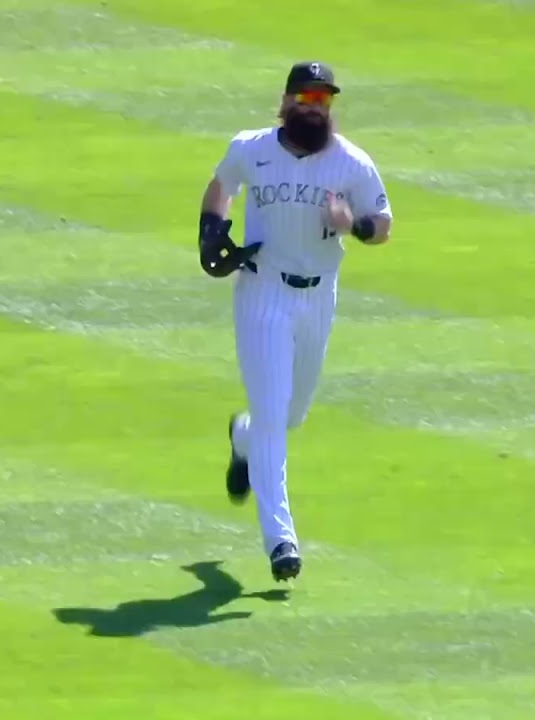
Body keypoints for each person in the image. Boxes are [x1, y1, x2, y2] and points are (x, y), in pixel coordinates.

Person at [196, 61, 394, 582]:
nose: (314, 106)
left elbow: (384, 227)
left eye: (323, 99)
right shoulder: (251, 147)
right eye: (306, 97)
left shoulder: (351, 163)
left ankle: (243, 439)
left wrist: (354, 225)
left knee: (289, 415)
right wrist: (211, 228)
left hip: (318, 299)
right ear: (285, 101)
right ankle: (281, 540)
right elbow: (221, 186)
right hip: (262, 292)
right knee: (272, 414)